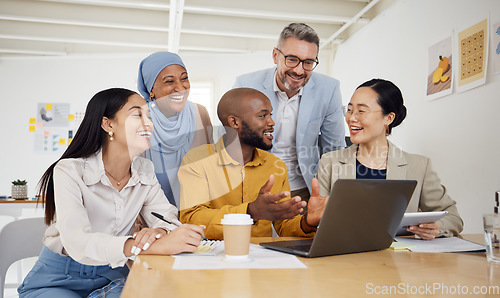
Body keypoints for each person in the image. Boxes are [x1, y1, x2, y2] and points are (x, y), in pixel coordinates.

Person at [18, 88, 204, 297]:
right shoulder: (69, 170)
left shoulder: (145, 170)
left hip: (112, 275)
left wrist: (159, 232)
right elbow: (78, 242)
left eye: (149, 117)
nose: (149, 124)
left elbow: (166, 217)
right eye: (137, 115)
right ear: (108, 124)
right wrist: (144, 247)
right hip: (58, 279)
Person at [316, 79, 463, 240]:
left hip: (399, 259)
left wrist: (436, 227)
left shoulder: (420, 166)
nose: (351, 118)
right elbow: (319, 220)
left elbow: (453, 217)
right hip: (345, 255)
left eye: (361, 111)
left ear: (389, 118)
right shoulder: (329, 162)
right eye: (349, 110)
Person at [178, 88, 328, 240]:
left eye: (271, 114)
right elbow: (192, 219)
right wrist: (250, 211)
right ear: (234, 122)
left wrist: (307, 222)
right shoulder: (197, 160)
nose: (271, 122)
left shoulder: (275, 165)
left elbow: (284, 226)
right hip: (214, 257)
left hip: (262, 258)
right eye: (262, 115)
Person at [233, 22, 345, 202]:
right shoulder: (245, 85)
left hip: (305, 188)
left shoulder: (329, 89)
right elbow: (232, 144)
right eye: (292, 59)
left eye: (308, 62)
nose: (299, 70)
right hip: (255, 187)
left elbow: (334, 150)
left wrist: (334, 198)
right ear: (275, 55)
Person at [138, 51, 213, 207]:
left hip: (197, 211)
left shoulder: (200, 113)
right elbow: (133, 178)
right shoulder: (140, 119)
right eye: (169, 81)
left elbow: (212, 167)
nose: (180, 88)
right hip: (153, 215)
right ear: (151, 89)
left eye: (184, 78)